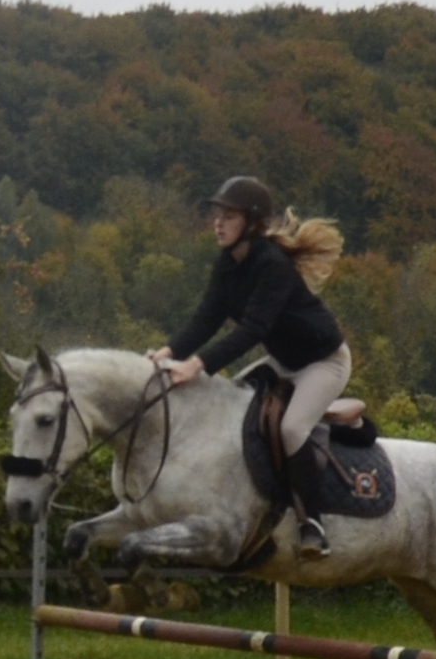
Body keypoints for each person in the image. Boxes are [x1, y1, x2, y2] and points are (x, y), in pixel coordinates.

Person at [151, 173, 355, 551]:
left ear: (252, 223)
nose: (218, 222)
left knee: (292, 429)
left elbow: (252, 330)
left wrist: (195, 366)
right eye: (218, 215)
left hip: (323, 363)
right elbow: (205, 319)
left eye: (229, 216)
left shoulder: (272, 265)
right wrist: (164, 354)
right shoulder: (227, 264)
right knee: (232, 410)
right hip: (283, 361)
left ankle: (313, 525)